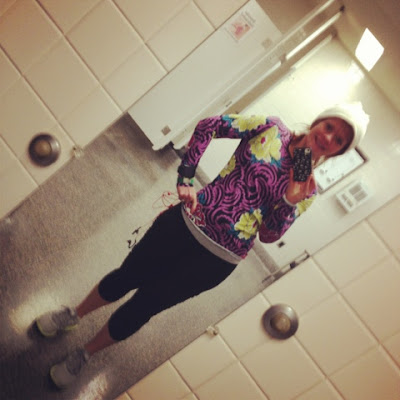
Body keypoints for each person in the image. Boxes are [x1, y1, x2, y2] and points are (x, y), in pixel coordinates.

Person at [35, 102, 369, 388]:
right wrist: (185, 177)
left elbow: (268, 235)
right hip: (184, 224)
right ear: (318, 121)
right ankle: (73, 314)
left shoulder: (307, 190)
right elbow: (209, 126)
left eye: (339, 140)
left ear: (339, 152)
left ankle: (85, 354)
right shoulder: (271, 128)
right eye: (329, 126)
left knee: (146, 305)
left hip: (217, 261)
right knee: (127, 275)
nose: (328, 138)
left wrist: (288, 201)